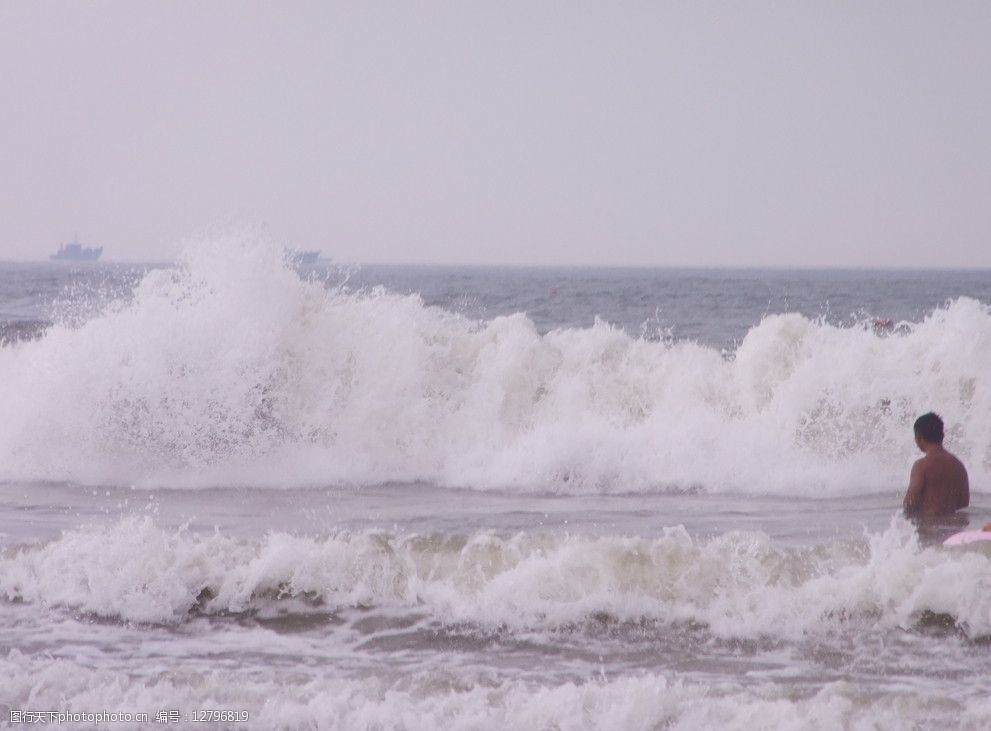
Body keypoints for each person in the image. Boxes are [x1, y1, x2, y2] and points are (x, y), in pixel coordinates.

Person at [903, 412, 969, 517]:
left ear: (919, 437)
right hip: (953, 530)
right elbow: (964, 503)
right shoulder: (959, 466)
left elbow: (910, 503)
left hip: (928, 528)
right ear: (942, 436)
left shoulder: (921, 466)